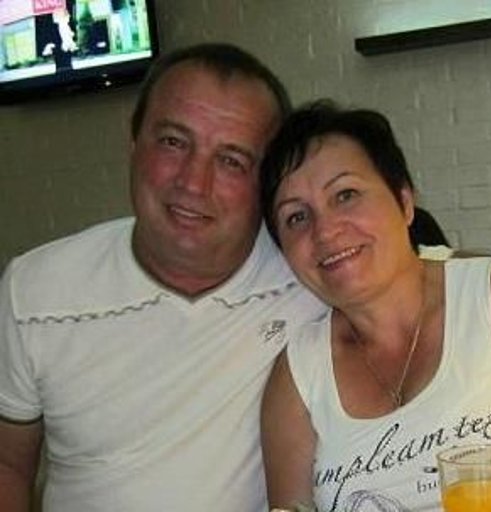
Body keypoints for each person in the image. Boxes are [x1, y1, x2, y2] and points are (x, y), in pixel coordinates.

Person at [0, 43, 325, 512]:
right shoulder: (34, 291)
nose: (193, 183)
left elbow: (422, 290)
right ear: (134, 144)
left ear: (268, 183)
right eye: (173, 142)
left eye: (232, 160)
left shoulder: (312, 280)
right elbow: (8, 464)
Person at [259, 101, 491, 511]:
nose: (325, 231)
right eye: (296, 217)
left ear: (405, 202)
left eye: (346, 195)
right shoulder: (300, 374)